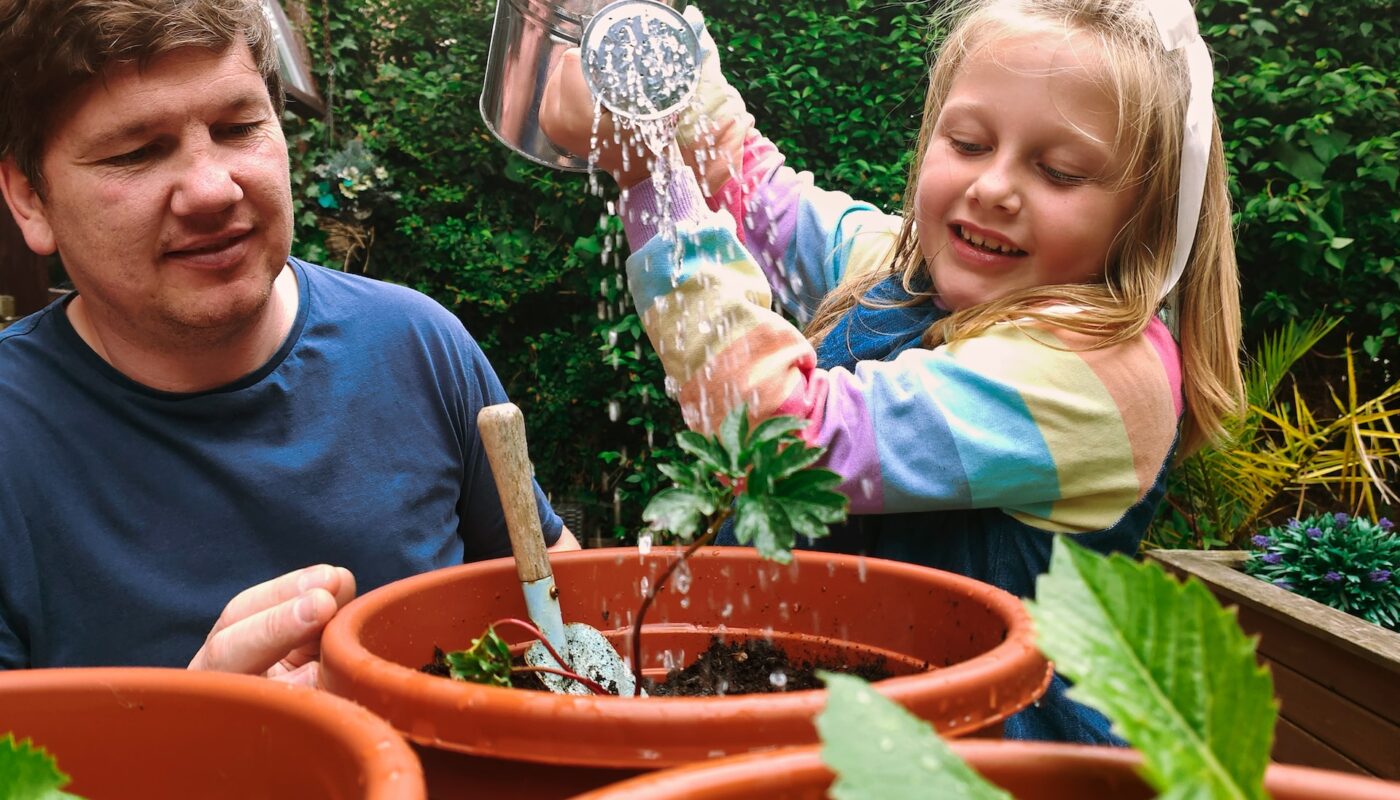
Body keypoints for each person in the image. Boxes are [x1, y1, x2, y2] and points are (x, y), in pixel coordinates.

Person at [541, 0, 1243, 743]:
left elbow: (786, 441)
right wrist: (660, 53)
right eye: (969, 143)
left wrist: (648, 174)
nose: (994, 187)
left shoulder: (1102, 372)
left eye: (1059, 172)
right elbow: (759, 197)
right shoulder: (911, 269)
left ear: (1148, 213)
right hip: (837, 723)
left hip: (976, 762)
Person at [0, 0, 578, 685]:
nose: (212, 189)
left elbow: (561, 605)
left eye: (238, 127)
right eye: (137, 152)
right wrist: (201, 738)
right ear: (29, 197)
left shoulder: (418, 347)